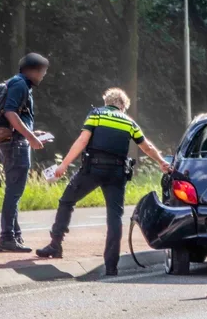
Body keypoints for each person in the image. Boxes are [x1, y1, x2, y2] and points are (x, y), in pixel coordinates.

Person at [36, 88, 171, 275]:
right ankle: (111, 266)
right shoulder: (129, 122)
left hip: (93, 169)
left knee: (67, 201)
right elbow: (146, 146)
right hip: (117, 173)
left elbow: (83, 140)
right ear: (123, 106)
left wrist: (64, 165)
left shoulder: (96, 114)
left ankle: (55, 244)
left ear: (107, 101)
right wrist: (161, 162)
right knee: (114, 218)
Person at [0, 53, 51, 253]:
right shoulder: (20, 85)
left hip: (13, 143)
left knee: (14, 191)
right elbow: (10, 112)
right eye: (42, 72)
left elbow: (17, 117)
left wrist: (33, 133)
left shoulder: (17, 84)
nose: (43, 76)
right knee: (14, 192)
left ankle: (14, 236)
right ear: (32, 70)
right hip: (16, 145)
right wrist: (31, 138)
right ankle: (7, 238)